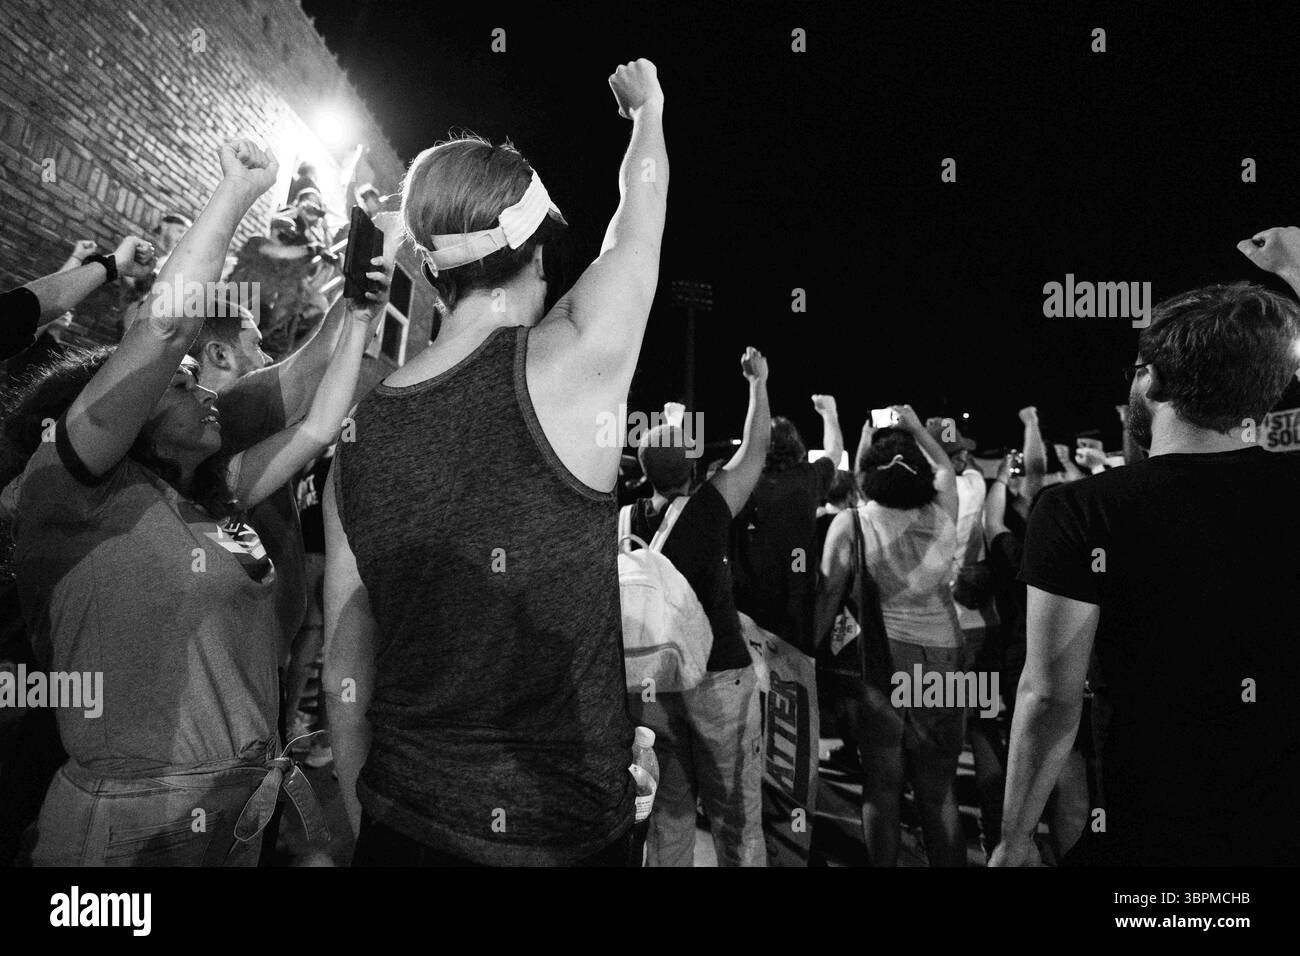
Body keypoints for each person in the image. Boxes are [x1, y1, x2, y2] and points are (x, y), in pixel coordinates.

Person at [323, 59, 668, 867]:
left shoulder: (356, 433)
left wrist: (362, 819)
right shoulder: (572, 358)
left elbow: (347, 662)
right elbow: (638, 224)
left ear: (433, 270)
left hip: (401, 825)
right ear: (538, 255)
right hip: (564, 835)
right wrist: (647, 111)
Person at [11, 139, 390, 866]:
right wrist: (238, 191)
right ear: (132, 413)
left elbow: (315, 424)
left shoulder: (217, 495)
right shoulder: (73, 489)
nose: (205, 390)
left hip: (232, 814)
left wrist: (363, 308)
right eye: (179, 385)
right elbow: (164, 327)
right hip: (125, 832)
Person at [994, 279, 1300, 867]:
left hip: (1159, 826)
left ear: (1151, 379)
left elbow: (1051, 694)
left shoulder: (1082, 511)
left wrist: (1015, 838)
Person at [625, 347, 771, 867]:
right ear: (693, 468)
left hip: (650, 687)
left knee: (667, 819)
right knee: (737, 819)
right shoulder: (709, 510)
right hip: (717, 681)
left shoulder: (622, 520)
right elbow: (757, 447)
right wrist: (758, 383)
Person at [816, 405, 967, 867]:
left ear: (866, 474)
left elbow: (826, 599)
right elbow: (944, 467)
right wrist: (917, 427)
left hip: (883, 664)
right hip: (946, 657)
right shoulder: (943, 511)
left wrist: (810, 657)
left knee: (881, 784)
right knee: (939, 789)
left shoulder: (853, 523)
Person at [732, 395, 843, 652]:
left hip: (746, 600)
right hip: (796, 597)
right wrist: (829, 414)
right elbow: (834, 454)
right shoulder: (808, 478)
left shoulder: (740, 482)